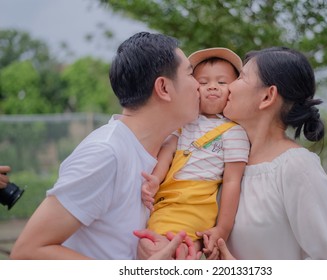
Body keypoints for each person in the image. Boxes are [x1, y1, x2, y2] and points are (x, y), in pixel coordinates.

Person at [10, 31, 200, 260]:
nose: (198, 85)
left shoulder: (164, 152)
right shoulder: (105, 154)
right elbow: (27, 253)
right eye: (190, 74)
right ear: (164, 88)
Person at [208, 47, 327, 259]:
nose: (229, 86)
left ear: (267, 96)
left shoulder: (297, 167)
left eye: (241, 77)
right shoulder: (225, 160)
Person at [138, 48, 250, 259]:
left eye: (222, 82)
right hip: (168, 199)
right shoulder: (185, 121)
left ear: (233, 89)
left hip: (196, 203)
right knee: (154, 240)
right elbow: (168, 151)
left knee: (173, 244)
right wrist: (155, 179)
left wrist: (223, 229)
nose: (212, 87)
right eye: (203, 82)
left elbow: (232, 181)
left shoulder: (234, 132)